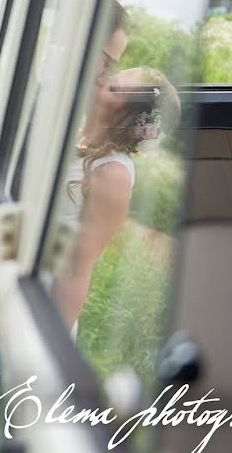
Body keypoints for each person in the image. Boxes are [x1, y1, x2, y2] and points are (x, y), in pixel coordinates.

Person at [52, 66, 181, 330]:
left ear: (123, 119)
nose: (103, 81)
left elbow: (78, 267)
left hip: (45, 294)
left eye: (114, 87)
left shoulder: (113, 173)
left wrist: (51, 332)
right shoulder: (78, 136)